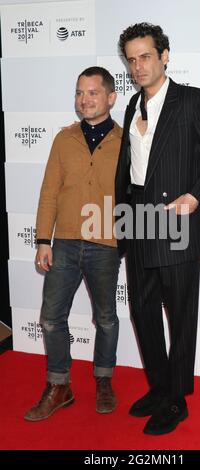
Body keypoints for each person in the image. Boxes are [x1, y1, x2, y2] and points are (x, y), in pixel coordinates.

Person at [115, 23, 200, 435]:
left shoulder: (191, 101)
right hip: (139, 219)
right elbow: (127, 168)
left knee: (181, 315)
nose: (138, 65)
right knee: (143, 311)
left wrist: (195, 197)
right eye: (131, 59)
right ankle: (160, 386)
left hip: (176, 220)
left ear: (164, 55)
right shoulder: (131, 105)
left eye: (145, 56)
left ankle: (177, 399)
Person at [24, 66, 122, 421]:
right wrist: (41, 240)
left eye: (93, 92)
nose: (85, 99)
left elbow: (135, 194)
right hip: (63, 241)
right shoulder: (63, 139)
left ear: (111, 96)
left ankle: (104, 379)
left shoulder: (127, 142)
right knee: (51, 319)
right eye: (80, 93)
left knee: (107, 318)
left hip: (106, 243)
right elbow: (49, 190)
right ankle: (59, 385)